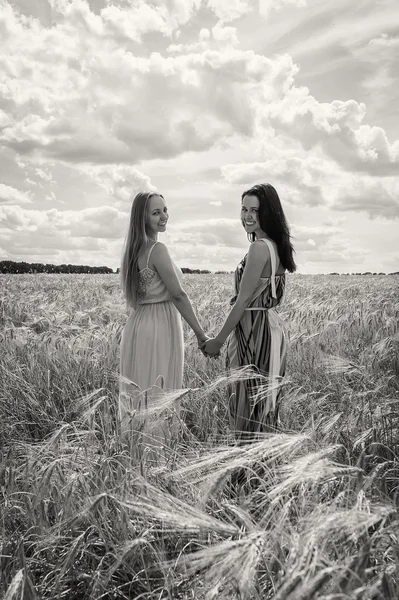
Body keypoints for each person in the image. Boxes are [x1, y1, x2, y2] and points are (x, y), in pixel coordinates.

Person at [201, 183, 296, 439]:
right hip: (270, 329)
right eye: (244, 209)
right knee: (264, 405)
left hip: (252, 329)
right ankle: (262, 467)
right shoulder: (276, 246)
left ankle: (245, 470)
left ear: (269, 213)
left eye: (255, 210)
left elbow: (242, 301)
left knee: (245, 401)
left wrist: (217, 341)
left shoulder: (259, 248)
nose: (247, 216)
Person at [119, 191, 208, 453]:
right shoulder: (157, 249)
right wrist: (201, 335)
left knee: (140, 393)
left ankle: (136, 454)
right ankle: (157, 456)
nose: (164, 216)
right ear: (142, 217)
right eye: (156, 212)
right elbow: (178, 294)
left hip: (138, 325)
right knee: (159, 391)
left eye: (165, 209)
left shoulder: (133, 251)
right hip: (160, 325)